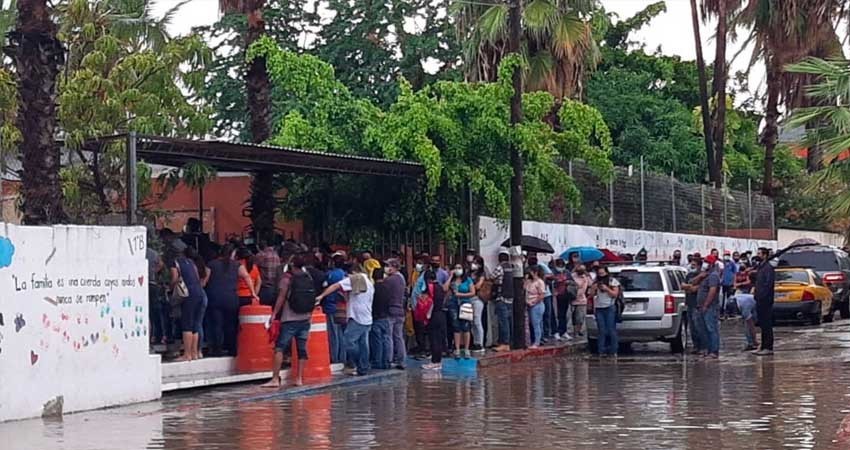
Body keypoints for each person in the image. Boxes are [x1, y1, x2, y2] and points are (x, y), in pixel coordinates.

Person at [262, 255, 315, 388]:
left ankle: (275, 379)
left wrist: (274, 314)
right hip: (305, 318)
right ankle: (299, 379)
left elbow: (281, 297)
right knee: (301, 349)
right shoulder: (308, 277)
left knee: (280, 347)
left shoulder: (287, 279)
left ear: (291, 265)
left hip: (289, 319)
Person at [317, 263, 374, 376]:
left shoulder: (356, 278)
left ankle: (359, 363)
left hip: (357, 317)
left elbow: (335, 286)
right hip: (367, 317)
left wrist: (321, 296)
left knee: (348, 341)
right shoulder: (368, 281)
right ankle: (363, 367)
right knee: (363, 343)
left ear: (353, 272)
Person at [206, 244, 257, 356]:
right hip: (231, 298)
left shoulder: (211, 264)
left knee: (216, 324)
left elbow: (205, 280)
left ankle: (217, 349)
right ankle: (232, 349)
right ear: (232, 253)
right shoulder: (237, 265)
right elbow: (247, 277)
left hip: (214, 297)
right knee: (231, 324)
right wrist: (253, 292)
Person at [171, 246, 204, 361]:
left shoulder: (175, 263)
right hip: (199, 292)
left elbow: (175, 278)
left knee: (187, 324)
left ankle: (187, 354)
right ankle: (194, 353)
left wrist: (170, 287)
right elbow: (197, 276)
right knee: (195, 325)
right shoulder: (191, 262)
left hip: (188, 294)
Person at [444, 263, 476, 358]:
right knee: (456, 326)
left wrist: (461, 295)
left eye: (459, 268)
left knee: (466, 326)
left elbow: (473, 292)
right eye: (456, 268)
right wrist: (450, 276)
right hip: (453, 304)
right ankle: (457, 349)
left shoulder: (467, 280)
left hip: (465, 304)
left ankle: (466, 349)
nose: (457, 270)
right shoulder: (452, 280)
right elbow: (445, 288)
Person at [589, 266, 620, 357]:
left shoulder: (612, 281)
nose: (601, 275)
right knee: (601, 330)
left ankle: (613, 350)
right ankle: (601, 351)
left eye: (603, 273)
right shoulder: (595, 282)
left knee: (611, 329)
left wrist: (606, 289)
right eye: (599, 274)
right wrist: (593, 288)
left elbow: (615, 294)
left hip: (609, 307)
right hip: (599, 308)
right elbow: (590, 295)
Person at [694, 257, 722, 359]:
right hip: (701, 306)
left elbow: (712, 291)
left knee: (711, 328)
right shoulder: (705, 275)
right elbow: (692, 283)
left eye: (706, 262)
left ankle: (714, 351)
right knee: (703, 329)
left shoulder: (713, 276)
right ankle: (707, 350)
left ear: (711, 264)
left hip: (710, 307)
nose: (704, 264)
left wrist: (706, 305)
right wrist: (700, 276)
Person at [323, 251, 347, 363]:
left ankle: (335, 358)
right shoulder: (345, 274)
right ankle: (343, 357)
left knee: (333, 334)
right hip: (343, 307)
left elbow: (325, 286)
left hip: (331, 306)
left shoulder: (331, 274)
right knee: (342, 333)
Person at [383, 259, 407, 369]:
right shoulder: (401, 278)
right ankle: (401, 360)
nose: (387, 268)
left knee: (389, 337)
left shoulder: (389, 280)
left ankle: (389, 359)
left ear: (393, 267)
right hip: (400, 310)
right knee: (399, 336)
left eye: (388, 266)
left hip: (390, 310)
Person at [753, 247, 776, 356]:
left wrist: (762, 295)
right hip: (759, 299)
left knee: (766, 324)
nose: (757, 255)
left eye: (759, 253)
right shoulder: (761, 267)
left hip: (765, 300)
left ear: (765, 255)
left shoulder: (768, 268)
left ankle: (768, 347)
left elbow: (768, 285)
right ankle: (762, 346)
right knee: (762, 323)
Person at [188, 247, 210, 358]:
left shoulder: (190, 267)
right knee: (198, 323)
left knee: (190, 324)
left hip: (192, 294)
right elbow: (204, 283)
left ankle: (191, 350)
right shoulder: (206, 269)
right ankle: (198, 350)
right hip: (203, 295)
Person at [422, 270, 447, 370]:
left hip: (433, 315)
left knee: (434, 339)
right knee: (438, 339)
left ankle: (435, 361)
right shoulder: (440, 287)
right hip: (440, 314)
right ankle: (438, 361)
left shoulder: (431, 288)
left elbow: (428, 303)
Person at [527, 254, 554, 343]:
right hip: (532, 302)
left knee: (541, 319)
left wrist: (534, 301)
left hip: (540, 300)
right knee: (536, 322)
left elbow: (551, 275)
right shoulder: (530, 280)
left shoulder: (541, 269)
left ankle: (541, 338)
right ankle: (537, 338)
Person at [491, 249, 514, 352]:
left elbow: (492, 277)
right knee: (508, 321)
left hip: (501, 297)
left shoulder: (500, 267)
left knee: (503, 321)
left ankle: (505, 343)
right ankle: (507, 342)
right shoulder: (512, 268)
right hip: (510, 298)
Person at [369, 267, 392, 370]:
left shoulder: (373, 289)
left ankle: (377, 361)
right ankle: (386, 361)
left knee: (376, 340)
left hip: (376, 317)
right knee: (386, 339)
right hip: (386, 316)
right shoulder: (388, 288)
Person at [525, 266, 547, 349]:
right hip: (530, 304)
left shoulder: (540, 282)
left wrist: (534, 302)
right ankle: (535, 340)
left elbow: (542, 295)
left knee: (536, 323)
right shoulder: (530, 282)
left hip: (536, 305)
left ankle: (537, 342)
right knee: (534, 323)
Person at [553, 257, 574, 341]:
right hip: (556, 295)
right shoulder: (553, 272)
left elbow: (573, 282)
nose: (560, 267)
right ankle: (556, 331)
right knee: (557, 314)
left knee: (564, 314)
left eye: (562, 265)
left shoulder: (567, 272)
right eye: (559, 265)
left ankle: (563, 331)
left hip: (565, 295)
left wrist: (568, 282)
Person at [256, 240, 283, 307]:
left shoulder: (261, 255)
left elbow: (253, 268)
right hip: (275, 287)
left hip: (265, 288)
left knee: (264, 312)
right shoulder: (276, 255)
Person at [470, 256, 487, 354]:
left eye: (476, 263)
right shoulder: (469, 273)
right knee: (472, 322)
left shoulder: (482, 274)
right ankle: (475, 342)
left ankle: (480, 343)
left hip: (478, 299)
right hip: (469, 298)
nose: (473, 264)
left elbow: (478, 286)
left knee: (477, 320)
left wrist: (470, 285)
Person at [734, 287, 759, 351]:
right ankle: (751, 343)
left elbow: (751, 325)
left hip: (758, 305)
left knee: (748, 325)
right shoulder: (735, 297)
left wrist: (755, 340)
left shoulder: (744, 307)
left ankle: (753, 343)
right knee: (747, 324)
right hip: (753, 302)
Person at [571, 264, 592, 337]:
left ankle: (578, 331)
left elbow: (588, 285)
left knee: (580, 317)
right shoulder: (572, 276)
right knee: (572, 317)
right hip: (571, 300)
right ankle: (573, 331)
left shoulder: (585, 277)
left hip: (581, 300)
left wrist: (588, 276)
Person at [721, 251, 739, 316]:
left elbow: (735, 274)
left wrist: (734, 283)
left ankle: (730, 312)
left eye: (728, 255)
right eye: (726, 255)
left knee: (730, 299)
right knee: (722, 299)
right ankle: (722, 312)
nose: (727, 256)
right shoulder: (721, 263)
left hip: (730, 284)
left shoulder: (732, 264)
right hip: (722, 284)